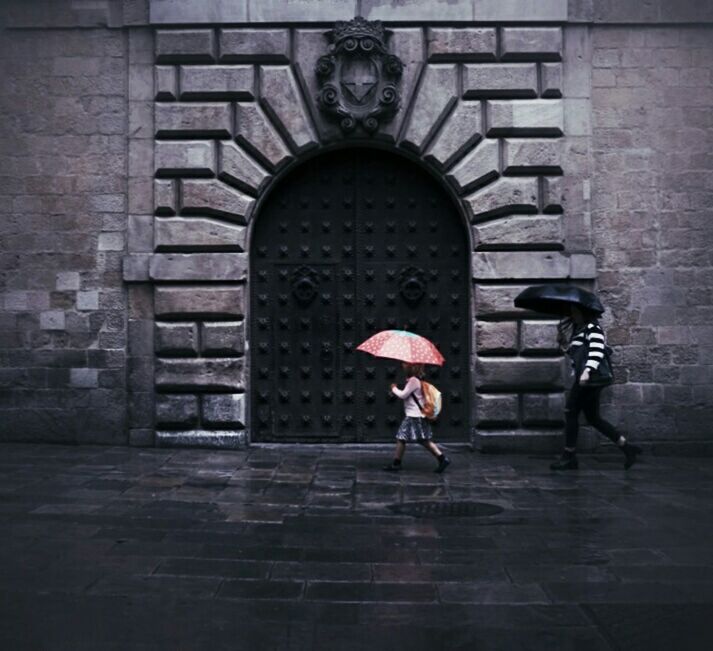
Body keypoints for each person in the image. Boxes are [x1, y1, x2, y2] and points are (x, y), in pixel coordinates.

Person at [551, 305, 641, 470]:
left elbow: (597, 349)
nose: (573, 315)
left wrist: (587, 371)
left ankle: (569, 456)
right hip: (586, 379)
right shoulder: (580, 330)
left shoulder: (593, 328)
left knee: (570, 412)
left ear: (585, 312)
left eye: (576, 312)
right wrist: (563, 343)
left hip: (589, 379)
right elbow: (577, 354)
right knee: (593, 418)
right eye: (572, 312)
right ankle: (626, 447)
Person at [383, 362, 450, 473]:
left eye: (405, 365)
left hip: (414, 416)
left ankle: (397, 463)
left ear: (411, 368)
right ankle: (442, 459)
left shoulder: (414, 381)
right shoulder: (413, 380)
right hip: (415, 415)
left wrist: (394, 388)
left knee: (404, 438)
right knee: (415, 439)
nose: (403, 366)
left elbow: (403, 395)